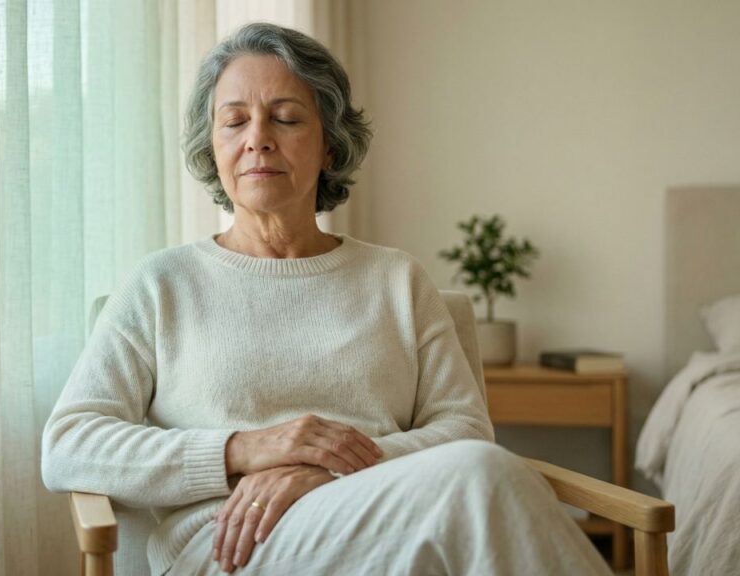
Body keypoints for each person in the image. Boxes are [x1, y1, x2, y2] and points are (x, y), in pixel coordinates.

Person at [42, 22, 612, 576]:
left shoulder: (397, 280)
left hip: (388, 524)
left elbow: (463, 430)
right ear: (212, 147)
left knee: (482, 479)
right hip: (230, 542)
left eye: (286, 118)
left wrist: (333, 472)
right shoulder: (161, 284)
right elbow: (70, 443)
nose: (257, 137)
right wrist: (243, 449)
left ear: (331, 147)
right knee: (486, 483)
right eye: (234, 121)